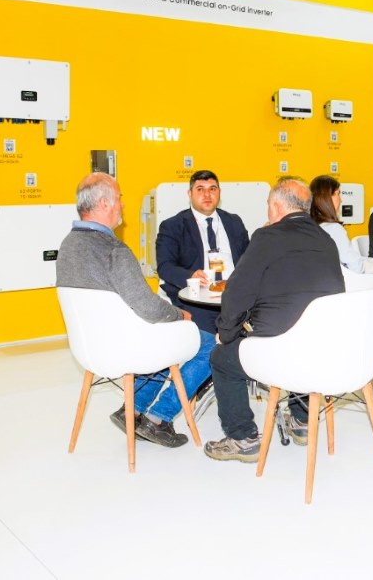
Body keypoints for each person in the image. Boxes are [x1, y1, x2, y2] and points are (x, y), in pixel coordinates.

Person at [203, 177, 345, 463]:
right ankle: (302, 420)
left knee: (222, 358)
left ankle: (242, 437)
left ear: (277, 206)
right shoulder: (326, 239)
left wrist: (226, 333)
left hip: (277, 351)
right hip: (322, 348)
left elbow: (237, 293)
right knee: (299, 334)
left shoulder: (267, 237)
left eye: (268, 204)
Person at [55, 173, 194, 448]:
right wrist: (180, 315)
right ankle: (158, 418)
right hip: (127, 349)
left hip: (91, 350)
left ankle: (133, 409)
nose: (122, 205)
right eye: (119, 198)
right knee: (204, 342)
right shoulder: (113, 250)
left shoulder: (68, 246)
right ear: (104, 203)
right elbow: (148, 307)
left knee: (165, 337)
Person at [155, 170, 250, 397]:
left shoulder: (234, 222)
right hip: (196, 299)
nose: (207, 195)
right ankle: (203, 380)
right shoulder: (173, 226)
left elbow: (248, 259)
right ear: (190, 194)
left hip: (233, 296)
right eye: (200, 189)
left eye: (212, 189)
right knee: (209, 339)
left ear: (219, 193)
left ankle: (228, 378)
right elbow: (165, 266)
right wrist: (190, 275)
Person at [309, 174, 364, 273]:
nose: (341, 200)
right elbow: (356, 266)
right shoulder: (334, 229)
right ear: (327, 198)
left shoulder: (308, 225)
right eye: (338, 194)